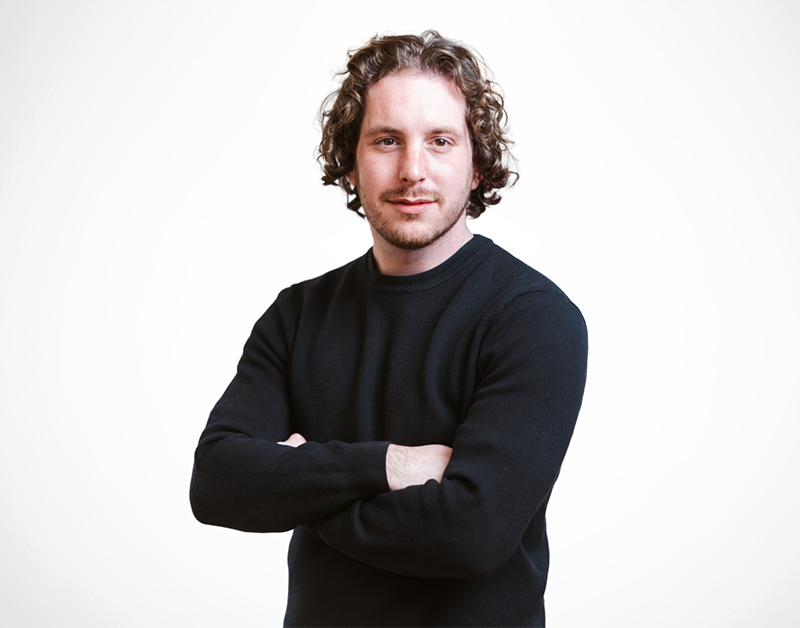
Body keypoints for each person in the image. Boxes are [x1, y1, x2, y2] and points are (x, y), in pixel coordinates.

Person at [190, 30, 588, 628]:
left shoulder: (534, 318)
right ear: (350, 162)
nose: (412, 171)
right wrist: (390, 466)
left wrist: (300, 489)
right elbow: (217, 484)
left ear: (477, 166)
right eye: (386, 140)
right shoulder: (297, 314)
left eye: (440, 141)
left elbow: (471, 535)